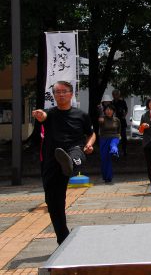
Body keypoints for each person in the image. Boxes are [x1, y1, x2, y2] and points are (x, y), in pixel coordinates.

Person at [32, 81, 95, 245]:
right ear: (53, 95)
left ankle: (71, 164)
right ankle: (63, 237)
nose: (60, 94)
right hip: (52, 158)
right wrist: (39, 114)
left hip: (74, 149)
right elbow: (43, 116)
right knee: (53, 200)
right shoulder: (50, 114)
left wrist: (89, 144)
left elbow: (91, 134)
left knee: (76, 155)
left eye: (64, 91)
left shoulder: (81, 115)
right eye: (57, 92)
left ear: (71, 93)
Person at [97, 104, 120, 183]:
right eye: (107, 109)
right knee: (105, 159)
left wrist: (118, 138)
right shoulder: (102, 119)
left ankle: (114, 150)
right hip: (104, 139)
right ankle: (106, 176)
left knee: (113, 146)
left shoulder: (116, 120)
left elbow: (119, 130)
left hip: (114, 138)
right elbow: (100, 122)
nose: (109, 111)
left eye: (110, 109)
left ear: (113, 111)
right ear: (104, 111)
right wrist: (100, 111)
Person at [112, 89, 129, 157]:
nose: (116, 96)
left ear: (119, 95)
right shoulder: (112, 102)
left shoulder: (122, 101)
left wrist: (124, 116)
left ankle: (124, 150)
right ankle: (115, 151)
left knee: (124, 137)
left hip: (122, 122)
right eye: (114, 94)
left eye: (117, 94)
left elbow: (126, 109)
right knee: (114, 137)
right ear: (113, 95)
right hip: (114, 122)